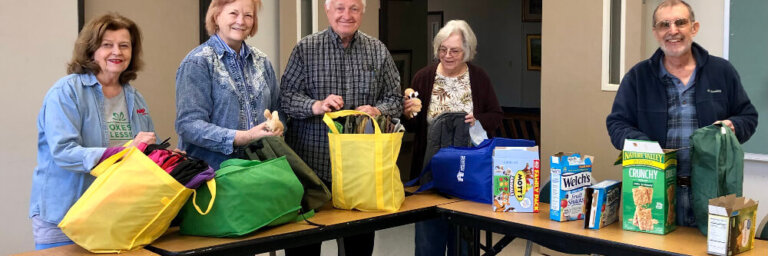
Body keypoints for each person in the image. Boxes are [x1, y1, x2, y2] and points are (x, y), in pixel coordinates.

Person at [606, 0, 757, 227]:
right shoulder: (638, 77)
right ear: (656, 33)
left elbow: (748, 117)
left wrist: (733, 127)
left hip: (712, 190)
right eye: (664, 24)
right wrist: (646, 146)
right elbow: (617, 124)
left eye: (680, 22)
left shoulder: (721, 71)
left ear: (694, 28)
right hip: (656, 190)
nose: (673, 30)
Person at [280, 0, 402, 254]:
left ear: (362, 12)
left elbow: (395, 99)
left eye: (354, 8)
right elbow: (286, 98)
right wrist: (316, 105)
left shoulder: (377, 51)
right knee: (304, 249)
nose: (346, 15)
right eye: (340, 8)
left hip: (361, 175)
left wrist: (377, 110)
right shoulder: (306, 49)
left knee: (358, 249)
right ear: (327, 10)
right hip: (311, 174)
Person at [29, 13, 157, 250]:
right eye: (107, 45)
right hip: (65, 216)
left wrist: (165, 158)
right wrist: (122, 151)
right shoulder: (66, 92)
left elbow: (145, 154)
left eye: (124, 45)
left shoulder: (135, 98)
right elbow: (64, 152)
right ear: (91, 50)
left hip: (112, 215)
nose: (117, 52)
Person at [403, 20, 503, 256]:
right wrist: (408, 112)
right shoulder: (423, 77)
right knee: (428, 243)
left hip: (467, 174)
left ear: (466, 52)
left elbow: (496, 115)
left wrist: (477, 119)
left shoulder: (479, 78)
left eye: (454, 50)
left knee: (465, 245)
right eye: (442, 49)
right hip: (430, 173)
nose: (447, 56)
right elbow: (413, 125)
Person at [175, 0, 281, 170]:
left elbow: (278, 109)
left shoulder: (262, 62)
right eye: (233, 13)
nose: (241, 21)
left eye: (248, 15)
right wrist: (241, 137)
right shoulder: (198, 62)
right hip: (214, 176)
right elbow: (188, 125)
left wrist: (278, 127)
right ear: (216, 17)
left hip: (259, 172)